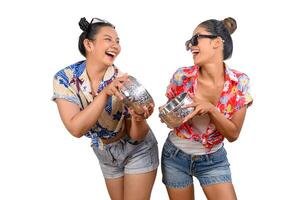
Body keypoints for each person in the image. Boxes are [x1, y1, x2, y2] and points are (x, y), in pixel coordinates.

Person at [52, 17, 159, 200]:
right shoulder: (65, 79)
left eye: (118, 41)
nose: (115, 45)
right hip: (105, 153)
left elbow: (136, 135)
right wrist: (104, 94)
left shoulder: (123, 81)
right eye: (108, 39)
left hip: (138, 149)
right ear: (89, 44)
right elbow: (76, 129)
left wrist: (139, 118)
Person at [160, 17, 253, 200]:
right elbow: (172, 120)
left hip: (213, 160)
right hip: (175, 156)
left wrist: (211, 109)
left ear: (217, 42)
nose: (190, 46)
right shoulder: (182, 76)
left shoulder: (240, 82)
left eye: (195, 40)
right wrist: (167, 114)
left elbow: (233, 135)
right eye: (189, 42)